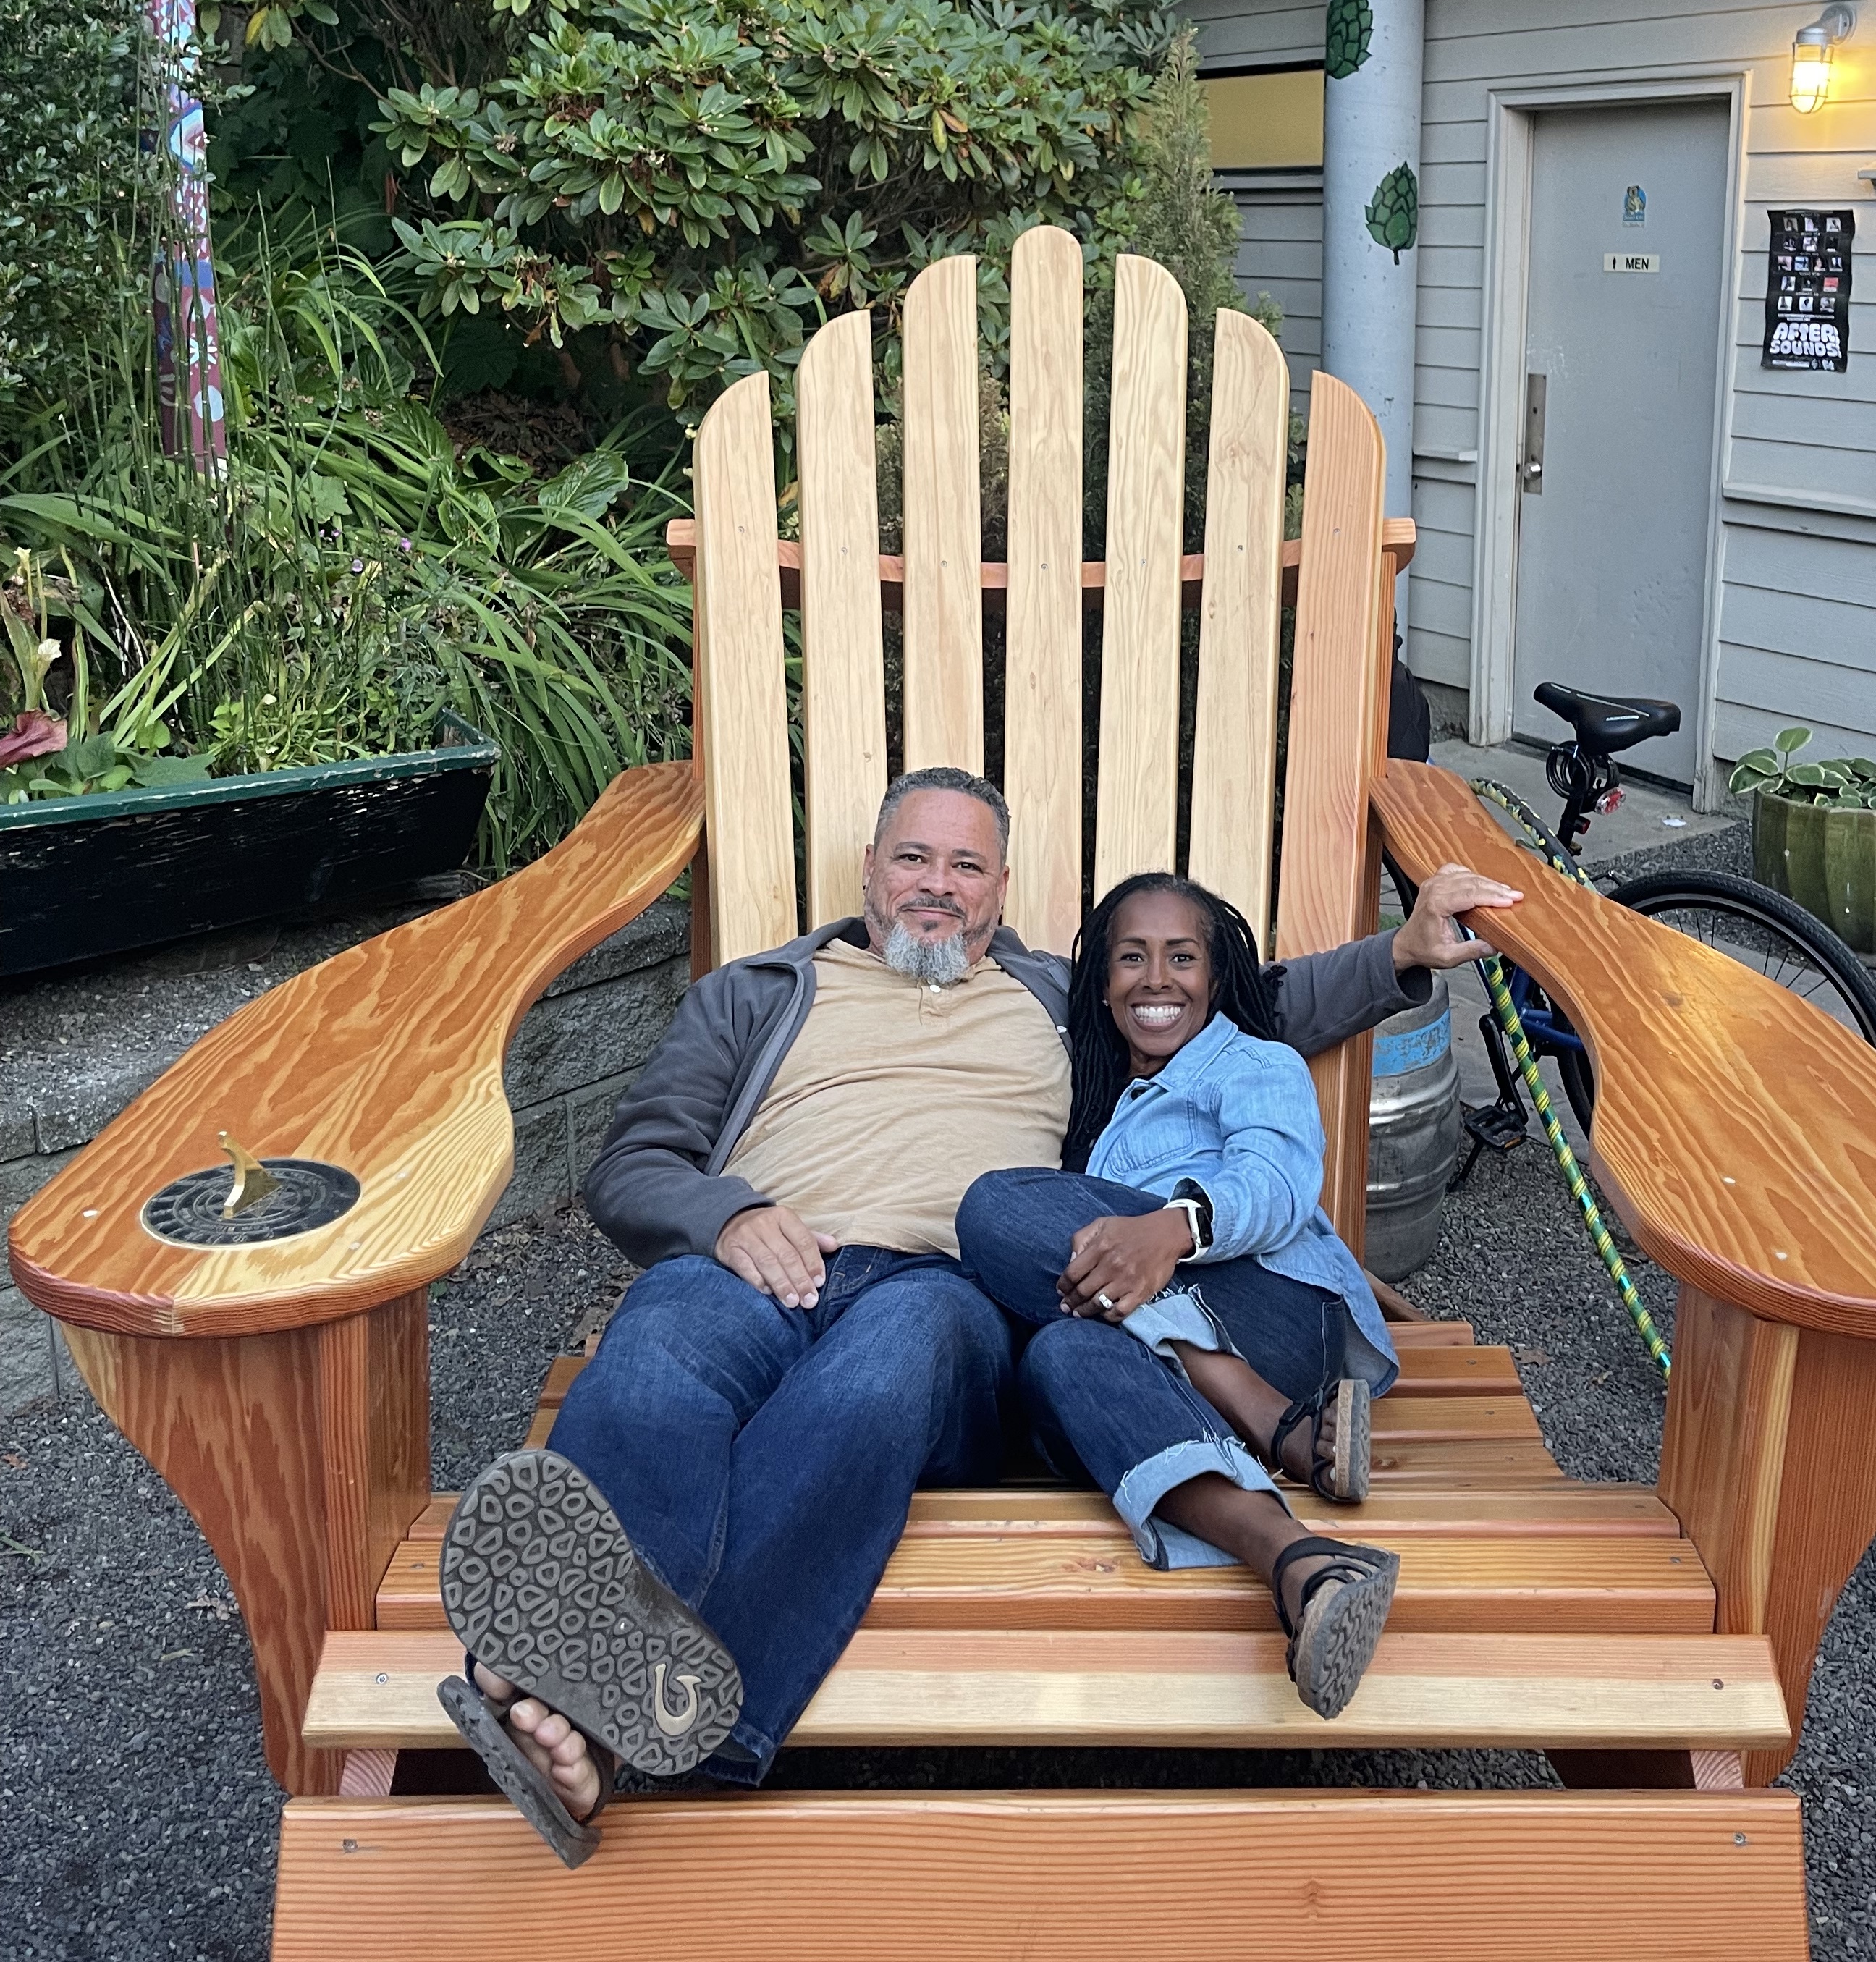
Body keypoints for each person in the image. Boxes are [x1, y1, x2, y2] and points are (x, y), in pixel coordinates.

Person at [434, 763, 1522, 1862]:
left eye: (967, 865)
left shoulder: (1061, 998)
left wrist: (1402, 950)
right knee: (658, 1338)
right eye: (914, 857)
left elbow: (1230, 996)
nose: (937, 884)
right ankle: (583, 1706)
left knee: (883, 1365)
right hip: (758, 1270)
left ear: (1001, 891)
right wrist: (728, 1217)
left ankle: (615, 1721)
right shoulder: (756, 993)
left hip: (946, 1296)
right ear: (870, 869)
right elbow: (632, 1165)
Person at [955, 873, 1419, 1717]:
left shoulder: (1253, 1063)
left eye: (1182, 957)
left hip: (1274, 1316)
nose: (1157, 979)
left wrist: (1173, 1229)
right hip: (1177, 1382)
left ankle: (1261, 1405)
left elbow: (1276, 1181)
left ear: (1216, 974)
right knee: (1059, 1353)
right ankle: (1301, 1561)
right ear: (1102, 983)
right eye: (1132, 958)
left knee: (994, 1206)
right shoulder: (1097, 1110)